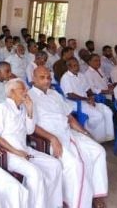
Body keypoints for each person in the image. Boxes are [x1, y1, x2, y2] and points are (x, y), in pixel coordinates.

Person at [30, 66, 108, 208]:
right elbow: (31, 126)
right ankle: (74, 202)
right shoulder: (29, 97)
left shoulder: (54, 94)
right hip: (49, 138)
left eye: (48, 77)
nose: (47, 80)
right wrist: (52, 138)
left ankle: (96, 194)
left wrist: (84, 132)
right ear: (33, 79)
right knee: (74, 165)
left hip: (68, 132)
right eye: (42, 77)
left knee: (99, 151)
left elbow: (69, 117)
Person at [0, 78, 63, 208]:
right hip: (9, 154)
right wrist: (16, 152)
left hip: (25, 150)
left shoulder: (23, 107)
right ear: (12, 92)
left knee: (55, 164)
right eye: (22, 89)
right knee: (36, 174)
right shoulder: (1, 108)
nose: (26, 91)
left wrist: (29, 109)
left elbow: (29, 131)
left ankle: (52, 204)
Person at [61, 58, 114, 142]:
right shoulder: (65, 78)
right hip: (74, 103)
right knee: (98, 115)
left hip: (85, 100)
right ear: (69, 67)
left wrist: (91, 97)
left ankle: (107, 136)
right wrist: (86, 99)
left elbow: (88, 89)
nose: (77, 67)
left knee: (107, 111)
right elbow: (70, 95)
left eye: (77, 65)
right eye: (74, 66)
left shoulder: (81, 75)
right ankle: (86, 129)